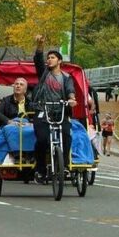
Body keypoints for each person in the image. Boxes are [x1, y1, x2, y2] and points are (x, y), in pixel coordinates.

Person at [32, 35, 77, 181]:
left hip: (60, 112)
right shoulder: (44, 73)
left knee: (67, 135)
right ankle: (40, 169)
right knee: (42, 139)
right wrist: (40, 45)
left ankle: (64, 166)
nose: (49, 59)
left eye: (52, 57)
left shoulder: (66, 77)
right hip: (42, 112)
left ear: (59, 61)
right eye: (48, 57)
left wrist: (71, 99)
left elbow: (70, 89)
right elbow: (38, 60)